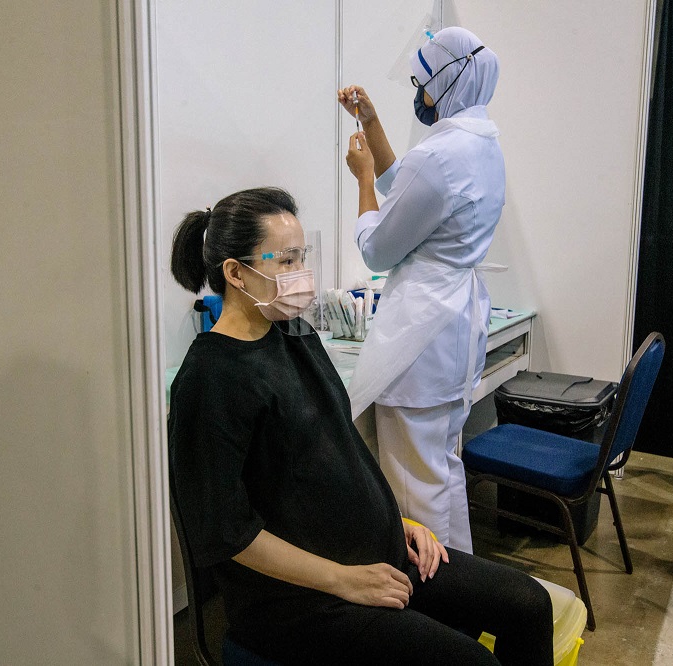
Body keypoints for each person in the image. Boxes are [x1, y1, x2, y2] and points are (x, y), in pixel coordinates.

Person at [168, 186, 552, 665]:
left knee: (529, 604)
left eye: (301, 258)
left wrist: (399, 522)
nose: (300, 275)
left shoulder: (294, 334)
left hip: (371, 554)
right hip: (296, 599)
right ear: (234, 273)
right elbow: (226, 534)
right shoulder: (211, 382)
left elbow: (340, 452)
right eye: (285, 261)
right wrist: (344, 580)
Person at [336, 27, 504, 552]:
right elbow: (405, 187)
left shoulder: (441, 155)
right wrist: (371, 120)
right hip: (453, 329)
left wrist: (361, 179)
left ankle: (435, 611)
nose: (420, 93)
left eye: (422, 81)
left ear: (446, 81)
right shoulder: (481, 144)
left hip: (422, 334)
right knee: (442, 473)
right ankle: (467, 599)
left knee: (413, 493)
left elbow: (377, 250)